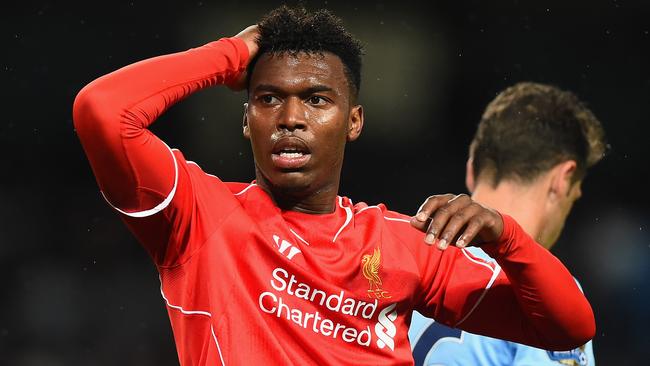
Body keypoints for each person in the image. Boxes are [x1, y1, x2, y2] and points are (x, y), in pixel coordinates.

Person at [73, 5, 595, 365]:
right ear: (246, 118)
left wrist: (508, 238)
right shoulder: (198, 214)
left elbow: (567, 328)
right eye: (268, 98)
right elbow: (103, 111)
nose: (290, 118)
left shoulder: (405, 241)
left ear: (354, 120)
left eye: (317, 100)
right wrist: (229, 55)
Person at [409, 82, 607, 366]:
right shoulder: (544, 300)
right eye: (574, 197)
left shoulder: (403, 260)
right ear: (563, 180)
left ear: (471, 167)